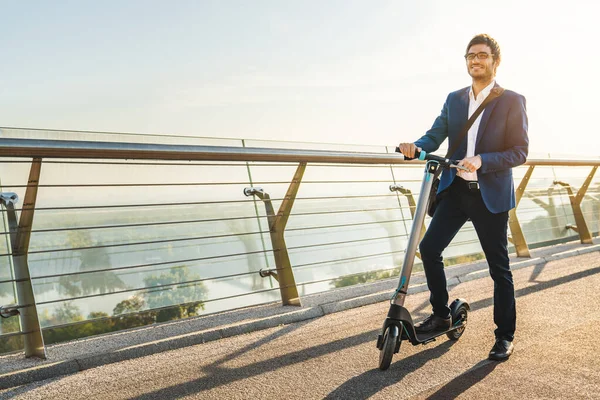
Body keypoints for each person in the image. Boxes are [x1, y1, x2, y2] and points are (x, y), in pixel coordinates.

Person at [398, 33, 528, 361]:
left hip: (489, 195)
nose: (475, 60)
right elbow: (434, 136)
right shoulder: (454, 99)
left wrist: (484, 160)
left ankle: (504, 336)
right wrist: (416, 146)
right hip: (455, 191)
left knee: (499, 268)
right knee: (429, 249)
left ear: (495, 62)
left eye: (482, 55)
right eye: (471, 55)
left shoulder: (512, 99)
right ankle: (442, 314)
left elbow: (520, 151)